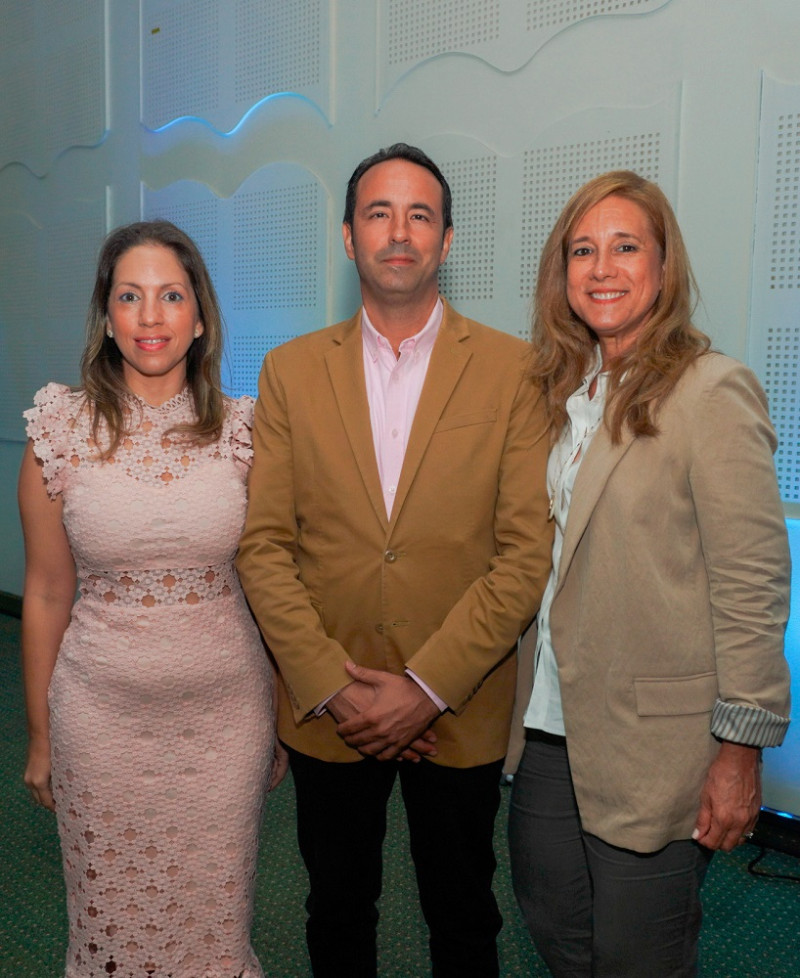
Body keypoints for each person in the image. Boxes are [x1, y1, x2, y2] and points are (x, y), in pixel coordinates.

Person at [236, 143, 552, 978]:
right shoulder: (290, 372)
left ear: (447, 241)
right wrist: (335, 687)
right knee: (336, 911)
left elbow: (525, 555)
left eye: (420, 215)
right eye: (379, 213)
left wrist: (423, 688)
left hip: (460, 702)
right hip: (327, 705)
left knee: (463, 916)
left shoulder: (515, 371)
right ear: (348, 237)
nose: (399, 231)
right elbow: (263, 547)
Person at [507, 170, 792, 978]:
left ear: (663, 269)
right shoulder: (563, 394)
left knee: (639, 956)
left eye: (625, 247)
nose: (602, 268)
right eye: (583, 250)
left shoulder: (711, 390)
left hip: (660, 741)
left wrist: (740, 750)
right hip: (552, 723)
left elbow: (754, 581)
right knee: (551, 912)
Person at [19, 220, 287, 977]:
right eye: (130, 297)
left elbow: (271, 584)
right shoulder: (60, 428)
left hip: (224, 720)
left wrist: (286, 711)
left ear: (199, 318)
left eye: (171, 296)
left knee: (213, 923)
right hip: (98, 723)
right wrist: (40, 736)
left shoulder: (247, 431)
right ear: (107, 316)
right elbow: (43, 593)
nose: (150, 316)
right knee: (113, 927)